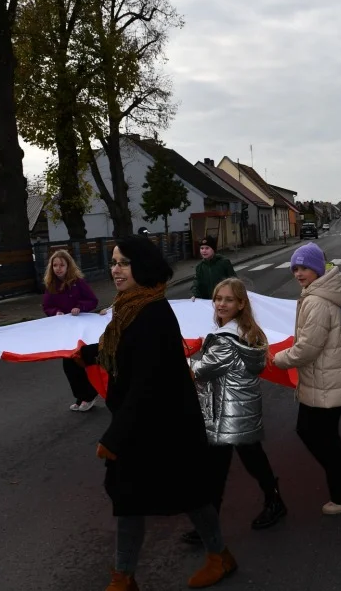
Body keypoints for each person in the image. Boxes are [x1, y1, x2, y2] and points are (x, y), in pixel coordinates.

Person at [80, 236, 236, 590]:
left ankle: (220, 556)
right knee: (129, 499)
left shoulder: (153, 313)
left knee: (191, 495)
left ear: (142, 266)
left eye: (123, 263)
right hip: (144, 425)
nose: (115, 269)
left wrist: (115, 437)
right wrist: (90, 354)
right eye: (114, 262)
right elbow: (119, 347)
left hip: (165, 426)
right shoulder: (129, 307)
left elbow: (147, 383)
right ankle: (124, 576)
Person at [181, 278, 286, 546]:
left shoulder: (226, 339)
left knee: (224, 466)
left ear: (241, 304)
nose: (221, 304)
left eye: (228, 299)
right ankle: (270, 501)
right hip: (238, 409)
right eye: (218, 298)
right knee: (238, 461)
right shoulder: (245, 331)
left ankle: (269, 503)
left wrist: (178, 357)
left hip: (227, 413)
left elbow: (199, 371)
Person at [273, 242, 341, 515]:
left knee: (318, 436)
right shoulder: (316, 295)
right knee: (320, 434)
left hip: (326, 380)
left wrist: (278, 359)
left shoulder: (316, 301)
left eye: (304, 268)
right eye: (295, 268)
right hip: (323, 378)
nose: (298, 273)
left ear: (316, 268)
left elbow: (307, 348)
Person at [42, 250, 100, 412]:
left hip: (82, 330)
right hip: (66, 332)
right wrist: (56, 312)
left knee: (83, 363)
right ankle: (81, 396)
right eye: (55, 265)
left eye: (62, 265)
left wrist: (80, 307)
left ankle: (89, 395)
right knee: (69, 366)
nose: (58, 268)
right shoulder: (51, 286)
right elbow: (47, 306)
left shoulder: (78, 282)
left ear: (68, 266)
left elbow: (93, 300)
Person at [191, 236, 236, 302]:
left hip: (223, 300)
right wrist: (195, 294)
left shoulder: (224, 262)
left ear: (213, 249)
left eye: (207, 248)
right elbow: (197, 282)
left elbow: (233, 280)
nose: (204, 251)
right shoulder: (199, 266)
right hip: (207, 301)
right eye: (202, 248)